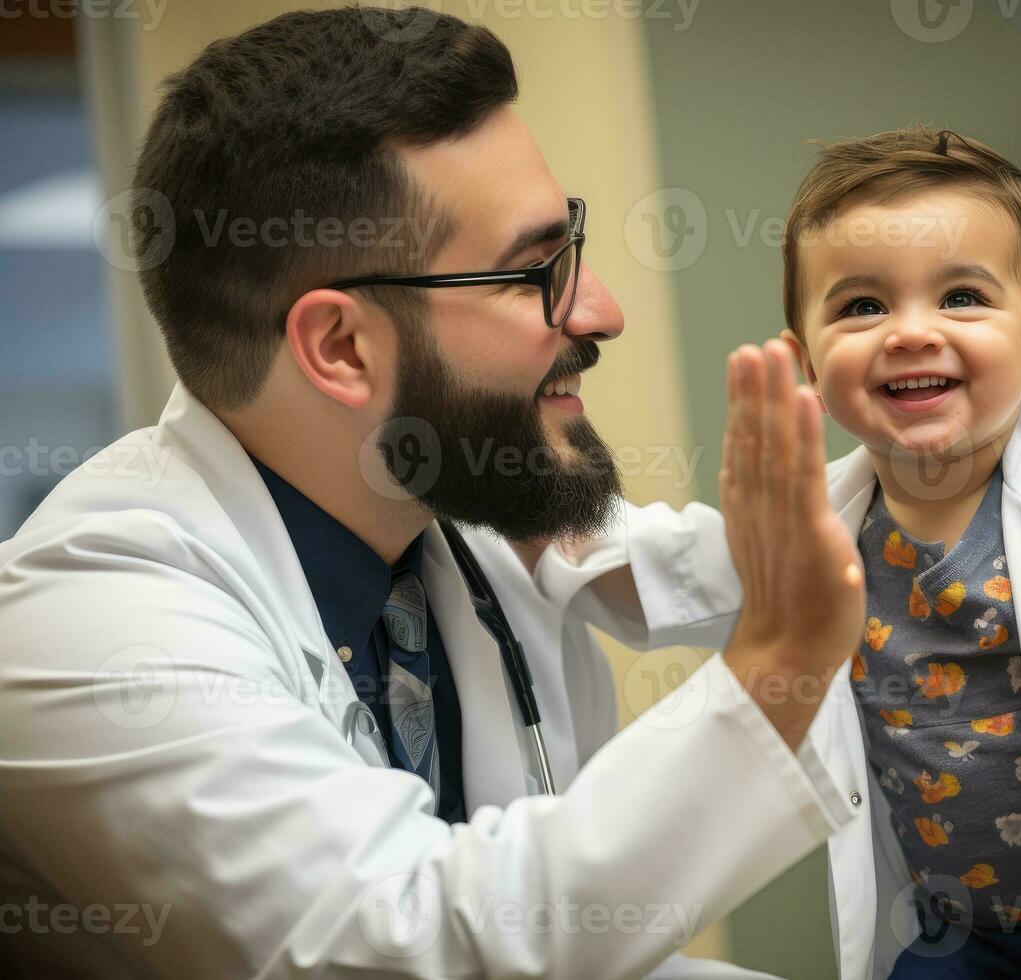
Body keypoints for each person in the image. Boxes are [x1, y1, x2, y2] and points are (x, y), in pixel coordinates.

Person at [0, 7, 870, 977]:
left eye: (569, 244)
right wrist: (777, 661)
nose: (600, 310)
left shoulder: (461, 511)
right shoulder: (90, 625)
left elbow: (747, 555)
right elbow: (413, 938)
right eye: (535, 270)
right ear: (340, 348)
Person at [536, 126, 1021, 979]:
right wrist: (506, 497)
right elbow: (654, 564)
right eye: (862, 307)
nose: (910, 332)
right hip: (956, 937)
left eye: (962, 297)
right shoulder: (809, 526)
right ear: (806, 362)